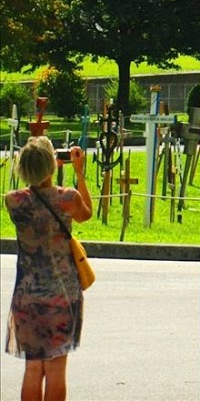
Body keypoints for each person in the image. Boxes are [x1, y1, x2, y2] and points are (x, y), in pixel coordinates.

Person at [6, 135, 93, 401]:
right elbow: (86, 213)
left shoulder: (13, 201)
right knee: (56, 367)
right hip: (61, 295)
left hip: (27, 296)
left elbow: (34, 191)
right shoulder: (67, 198)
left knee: (33, 367)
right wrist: (79, 172)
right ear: (52, 164)